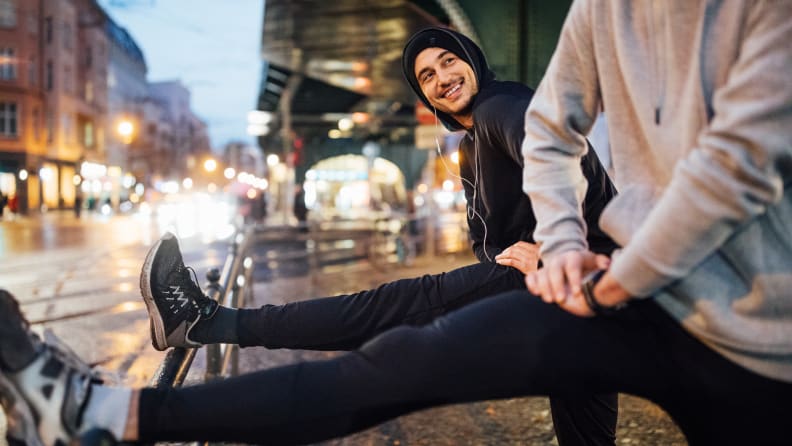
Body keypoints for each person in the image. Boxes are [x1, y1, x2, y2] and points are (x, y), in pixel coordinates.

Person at [5, 3, 790, 443]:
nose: (445, 77)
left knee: (391, 327)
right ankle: (103, 413)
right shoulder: (592, 18)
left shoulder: (498, 106)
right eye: (428, 75)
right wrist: (557, 247)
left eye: (449, 60)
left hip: (747, 333)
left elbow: (737, 162)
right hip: (601, 293)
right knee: (404, 361)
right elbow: (555, 139)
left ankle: (201, 326)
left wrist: (590, 258)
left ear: (473, 58)